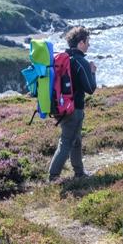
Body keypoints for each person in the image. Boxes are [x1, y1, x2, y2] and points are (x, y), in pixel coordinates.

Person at [48, 26, 97, 182]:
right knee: (67, 141)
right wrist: (93, 72)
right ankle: (53, 175)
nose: (89, 45)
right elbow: (90, 89)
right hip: (74, 108)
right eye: (87, 41)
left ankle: (79, 172)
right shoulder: (80, 61)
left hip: (61, 105)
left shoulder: (64, 58)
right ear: (81, 42)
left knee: (75, 140)